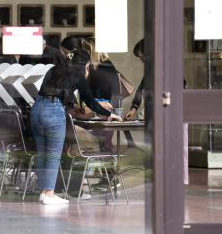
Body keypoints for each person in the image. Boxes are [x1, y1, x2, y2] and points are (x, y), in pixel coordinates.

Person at [31, 49, 122, 205]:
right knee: (53, 155)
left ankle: (43, 193)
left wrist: (72, 103)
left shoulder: (54, 70)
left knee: (42, 154)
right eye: (87, 67)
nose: (87, 71)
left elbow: (52, 92)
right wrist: (108, 113)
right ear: (83, 66)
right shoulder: (77, 76)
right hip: (53, 112)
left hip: (37, 109)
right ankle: (50, 195)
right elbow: (91, 103)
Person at [124, 38, 189, 185]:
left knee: (175, 147)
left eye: (142, 56)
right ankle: (163, 178)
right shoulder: (151, 69)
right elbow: (141, 88)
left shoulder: (167, 65)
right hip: (161, 113)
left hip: (173, 112)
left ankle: (175, 179)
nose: (141, 60)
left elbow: (178, 86)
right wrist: (134, 108)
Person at [82, 38, 121, 190]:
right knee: (104, 145)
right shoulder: (101, 67)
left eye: (86, 51)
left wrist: (96, 102)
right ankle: (109, 179)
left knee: (105, 145)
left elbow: (107, 93)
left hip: (105, 112)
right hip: (101, 110)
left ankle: (111, 179)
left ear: (92, 51)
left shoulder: (103, 68)